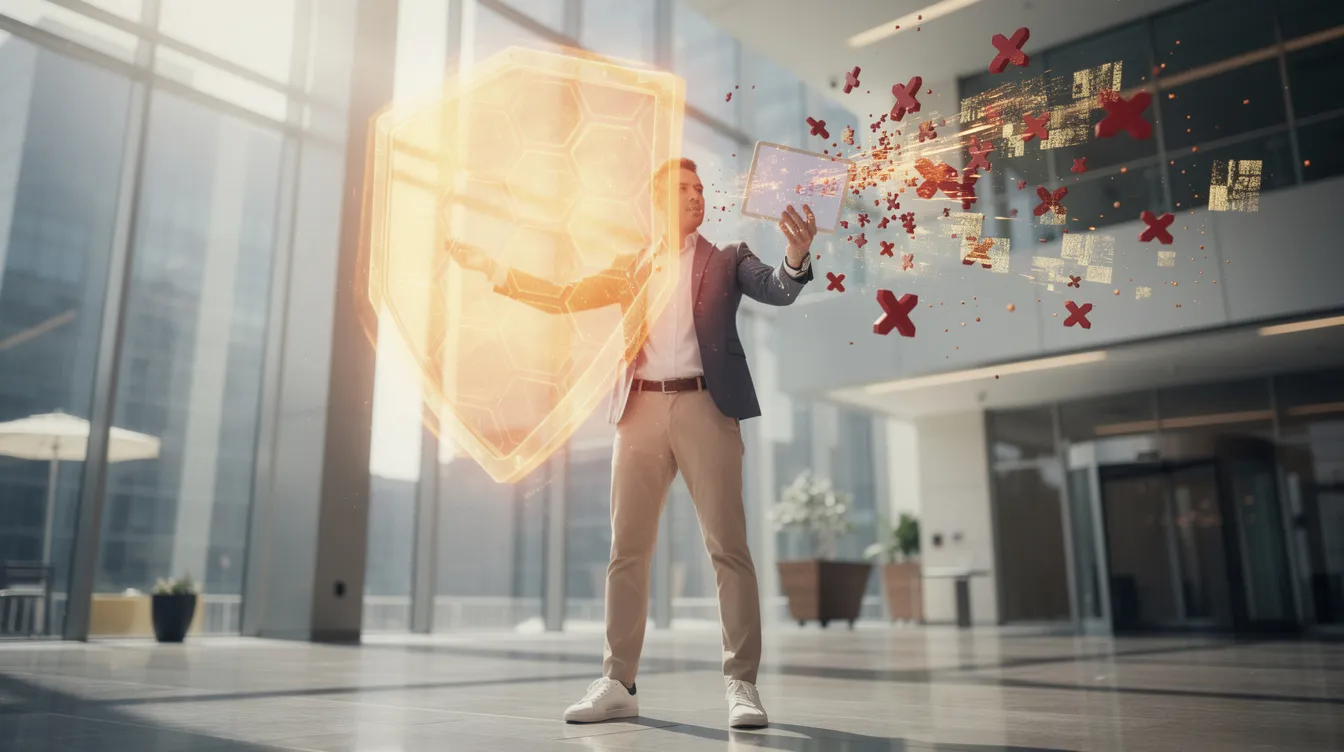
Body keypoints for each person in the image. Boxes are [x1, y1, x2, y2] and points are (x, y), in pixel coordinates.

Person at [449, 158, 817, 728]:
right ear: (658, 201)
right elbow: (566, 295)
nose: (696, 196)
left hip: (706, 408)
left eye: (699, 189)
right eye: (682, 189)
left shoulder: (728, 258)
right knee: (628, 551)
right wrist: (495, 271)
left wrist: (795, 257)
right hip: (639, 409)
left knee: (728, 548)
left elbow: (778, 288)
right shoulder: (631, 268)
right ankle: (618, 681)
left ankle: (741, 684)